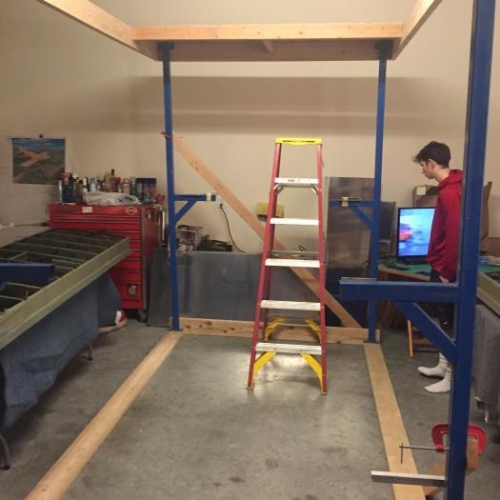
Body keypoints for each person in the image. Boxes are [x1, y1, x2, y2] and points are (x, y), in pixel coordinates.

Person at [412, 141, 463, 393]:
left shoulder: (450, 193)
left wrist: (445, 271)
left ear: (432, 163)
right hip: (442, 263)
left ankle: (451, 378)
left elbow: (454, 236)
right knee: (443, 319)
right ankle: (443, 365)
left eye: (423, 165)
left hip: (447, 268)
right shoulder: (450, 188)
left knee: (450, 321)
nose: (422, 170)